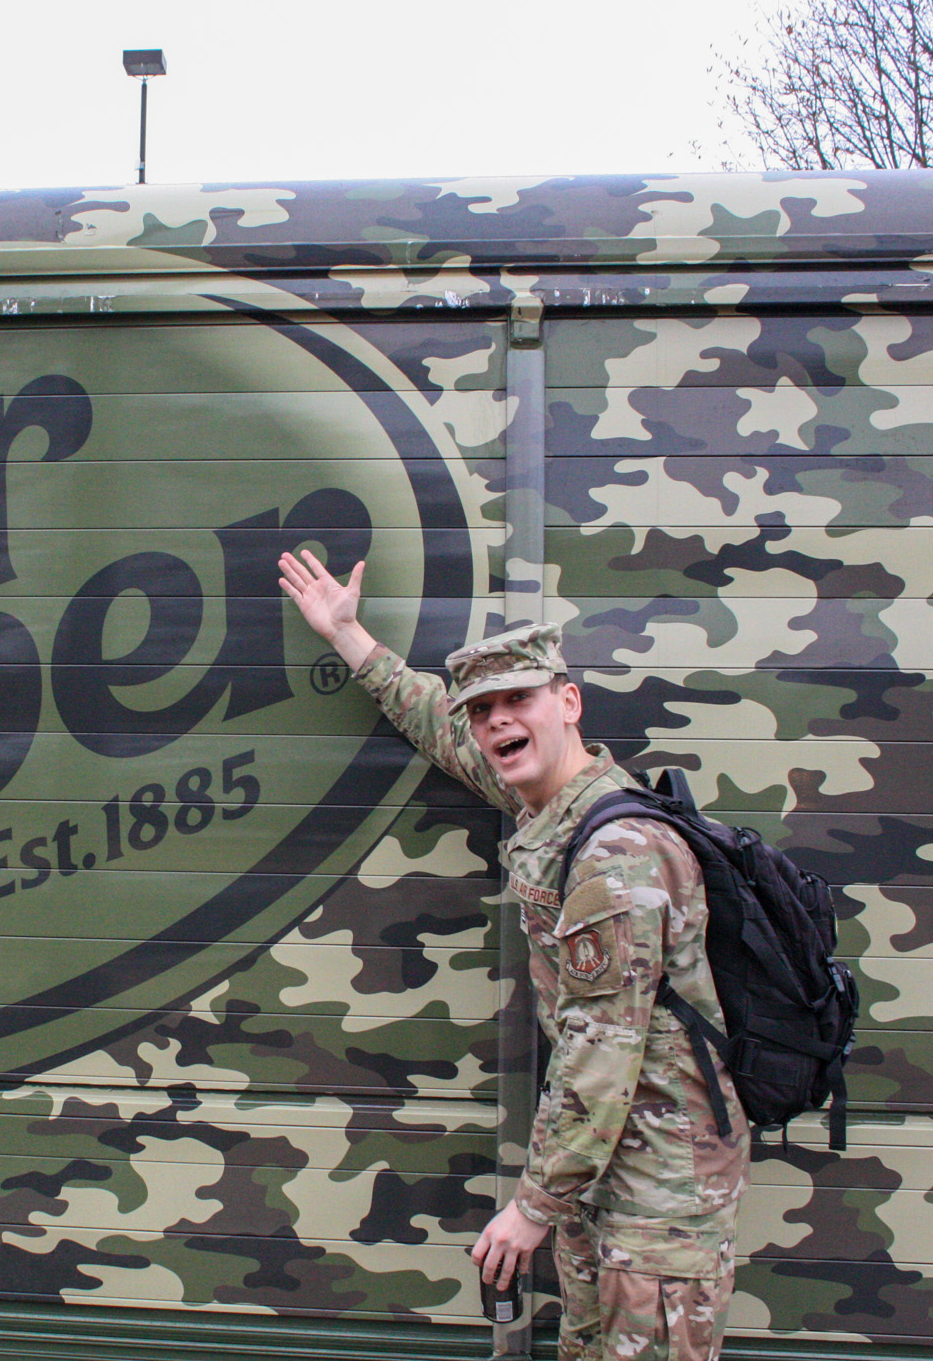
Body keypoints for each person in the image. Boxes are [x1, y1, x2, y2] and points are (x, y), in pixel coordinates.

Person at [277, 549, 748, 1361]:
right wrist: (350, 636)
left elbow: (606, 1050)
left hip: (659, 1195)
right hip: (602, 1178)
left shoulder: (617, 851)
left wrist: (531, 1206)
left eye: (517, 700)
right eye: (485, 707)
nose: (496, 722)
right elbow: (436, 719)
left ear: (568, 702)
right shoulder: (555, 800)